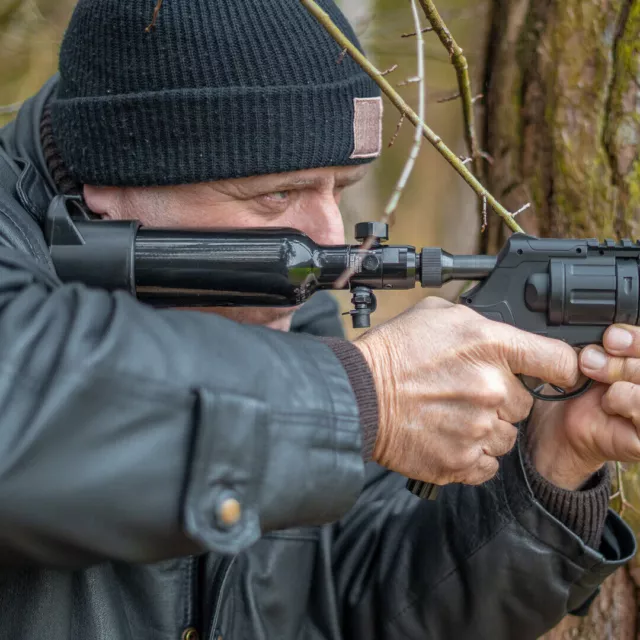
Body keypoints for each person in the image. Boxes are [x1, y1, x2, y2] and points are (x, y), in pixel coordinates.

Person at [0, 0, 636, 638]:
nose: (329, 239)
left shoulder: (279, 299)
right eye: (277, 194)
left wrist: (550, 467)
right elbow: (24, 420)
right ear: (115, 184)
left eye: (339, 186)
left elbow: (350, 598)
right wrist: (361, 397)